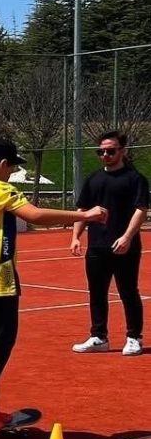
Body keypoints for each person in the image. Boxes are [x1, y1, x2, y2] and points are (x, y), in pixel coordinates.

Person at [0, 138, 107, 430]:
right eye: (11, 168)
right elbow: (34, 215)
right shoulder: (0, 189)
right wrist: (84, 215)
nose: (11, 174)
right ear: (2, 164)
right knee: (1, 341)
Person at [71, 131, 148, 357]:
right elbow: (83, 210)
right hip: (97, 247)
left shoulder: (135, 179)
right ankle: (99, 337)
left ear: (122, 151)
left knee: (128, 292)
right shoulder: (93, 179)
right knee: (96, 293)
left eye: (111, 150)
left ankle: (134, 338)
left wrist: (126, 237)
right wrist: (76, 236)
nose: (105, 154)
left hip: (125, 247)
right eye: (101, 151)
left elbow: (141, 210)